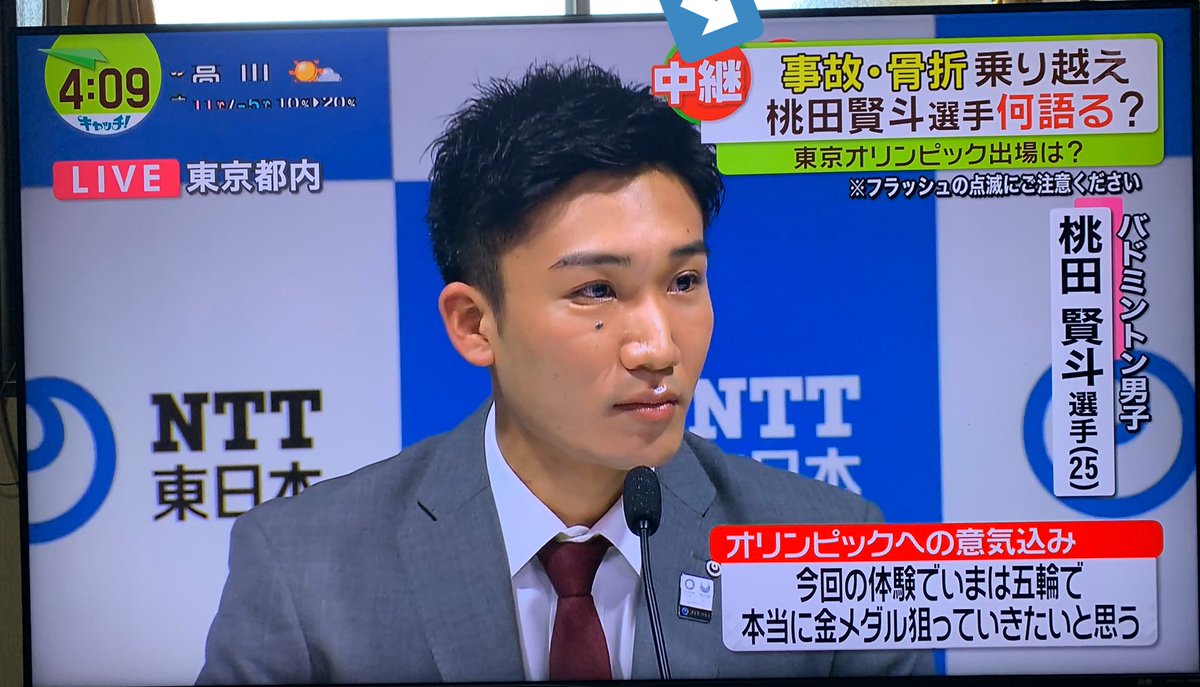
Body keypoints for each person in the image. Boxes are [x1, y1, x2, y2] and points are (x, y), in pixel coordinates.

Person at [197, 61, 932, 684]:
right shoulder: (303, 573)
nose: (657, 347)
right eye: (596, 291)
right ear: (475, 323)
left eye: (684, 281)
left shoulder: (830, 545)